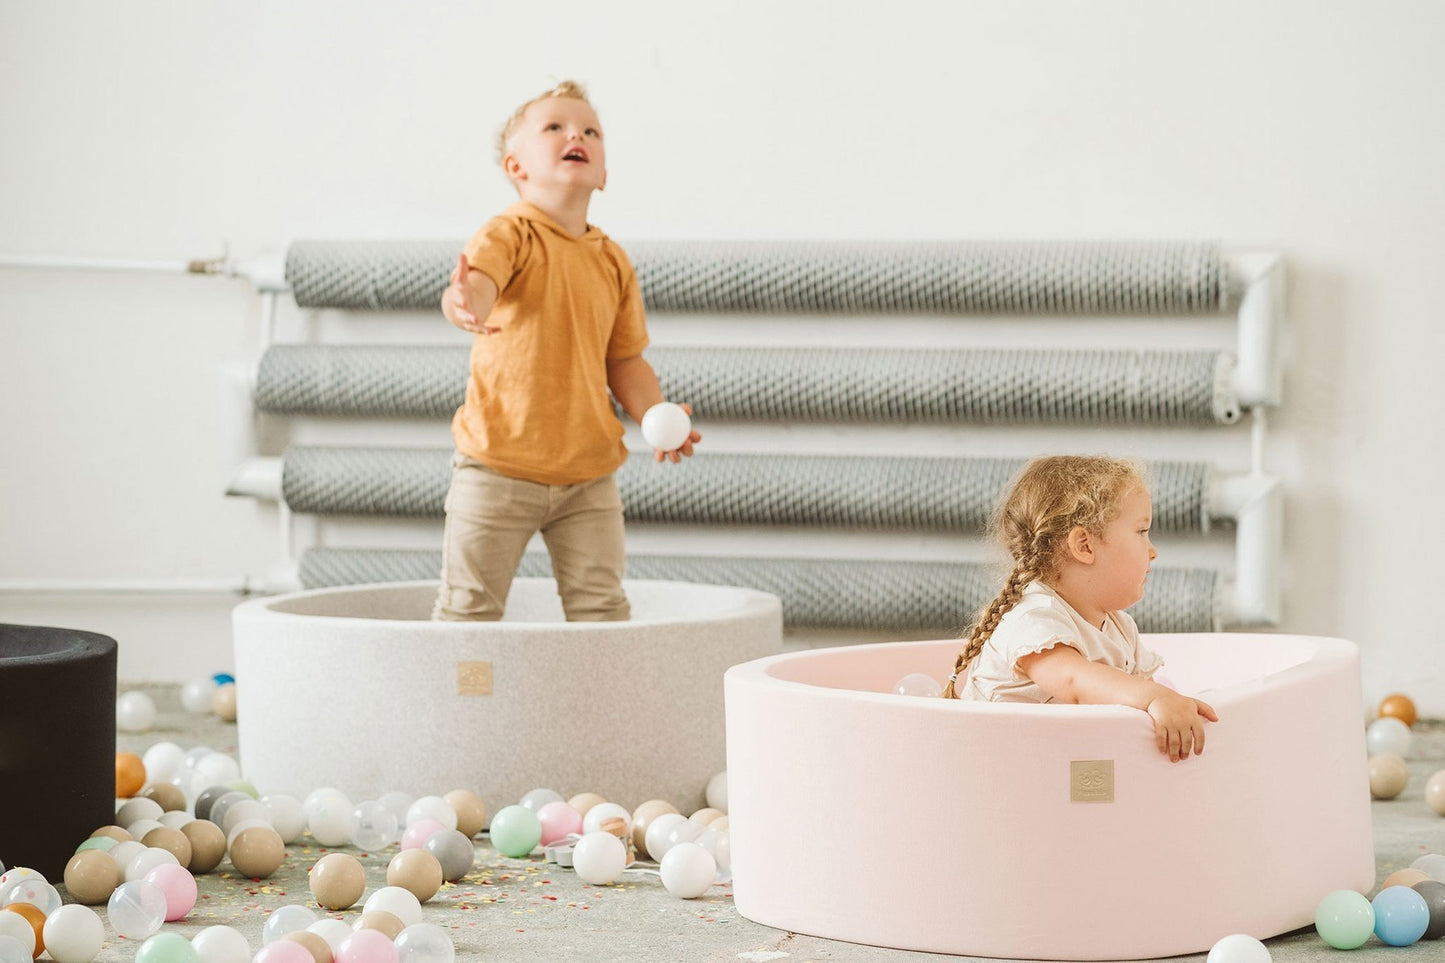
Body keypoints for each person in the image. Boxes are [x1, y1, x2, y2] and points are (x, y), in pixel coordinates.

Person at [431, 80, 699, 623]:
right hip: (497, 465)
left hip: (588, 478)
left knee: (602, 609)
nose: (575, 133)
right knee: (469, 609)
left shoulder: (612, 261)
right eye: (554, 127)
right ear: (516, 167)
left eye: (590, 131)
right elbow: (478, 283)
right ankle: (462, 707)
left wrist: (653, 414)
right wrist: (465, 302)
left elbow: (623, 360)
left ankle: (599, 708)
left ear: (603, 175)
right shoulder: (510, 234)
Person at [941, 455, 1218, 762]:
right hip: (988, 768)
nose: (1153, 551)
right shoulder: (1032, 617)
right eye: (1142, 532)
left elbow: (1136, 711)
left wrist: (1169, 708)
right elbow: (1073, 680)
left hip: (1053, 769)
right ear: (1084, 546)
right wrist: (1155, 697)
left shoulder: (1119, 628)